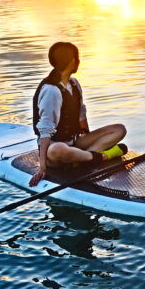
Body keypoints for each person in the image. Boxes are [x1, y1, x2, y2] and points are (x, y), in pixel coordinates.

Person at [29, 41, 127, 186]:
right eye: (77, 57)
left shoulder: (74, 83)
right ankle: (103, 156)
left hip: (75, 143)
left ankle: (81, 158)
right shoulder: (51, 90)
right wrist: (42, 166)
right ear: (71, 61)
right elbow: (45, 129)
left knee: (119, 129)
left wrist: (86, 134)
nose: (79, 61)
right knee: (59, 149)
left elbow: (81, 112)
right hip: (54, 151)